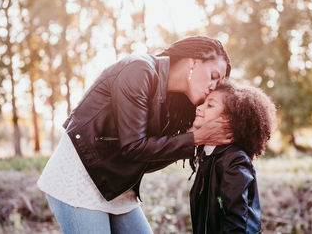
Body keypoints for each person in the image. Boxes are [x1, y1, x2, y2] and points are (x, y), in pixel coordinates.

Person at [37, 36, 233, 233]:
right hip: (79, 181)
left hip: (116, 188)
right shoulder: (139, 70)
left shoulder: (175, 101)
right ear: (193, 62)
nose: (214, 86)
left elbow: (146, 160)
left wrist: (192, 136)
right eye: (214, 75)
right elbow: (134, 147)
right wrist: (195, 138)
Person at [189, 80, 276, 234]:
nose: (200, 107)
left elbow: (236, 223)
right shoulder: (207, 153)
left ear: (229, 119)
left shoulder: (235, 161)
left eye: (210, 105)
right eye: (203, 102)